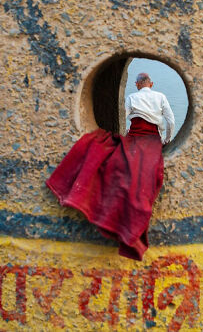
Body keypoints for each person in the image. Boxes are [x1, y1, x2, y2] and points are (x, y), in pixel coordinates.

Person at [46, 73, 175, 260]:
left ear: (137, 84)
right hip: (152, 138)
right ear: (152, 84)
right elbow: (170, 120)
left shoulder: (132, 97)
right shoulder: (161, 97)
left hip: (135, 135)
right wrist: (167, 140)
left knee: (124, 159)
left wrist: (124, 136)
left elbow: (124, 116)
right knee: (144, 169)